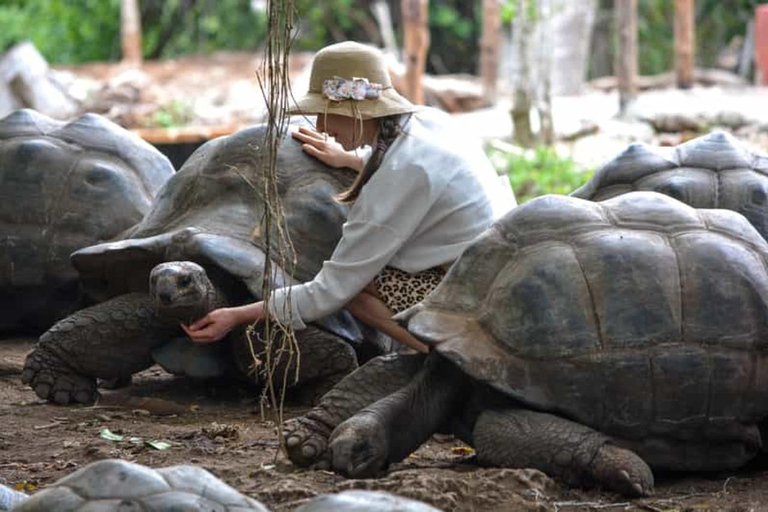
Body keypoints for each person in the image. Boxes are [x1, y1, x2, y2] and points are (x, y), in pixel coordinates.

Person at [182, 41, 516, 353]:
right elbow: (420, 175)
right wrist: (354, 160)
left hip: (477, 299)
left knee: (354, 290)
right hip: (504, 272)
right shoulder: (428, 122)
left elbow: (329, 292)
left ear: (356, 109)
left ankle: (450, 356)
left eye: (325, 112)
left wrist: (237, 316)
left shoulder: (396, 179)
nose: (321, 125)